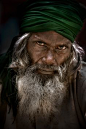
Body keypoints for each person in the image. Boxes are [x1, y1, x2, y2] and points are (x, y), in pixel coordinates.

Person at [0, 0, 86, 129]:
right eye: (40, 44)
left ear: (71, 52)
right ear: (23, 45)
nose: (49, 59)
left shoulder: (82, 80)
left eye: (61, 47)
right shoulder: (2, 78)